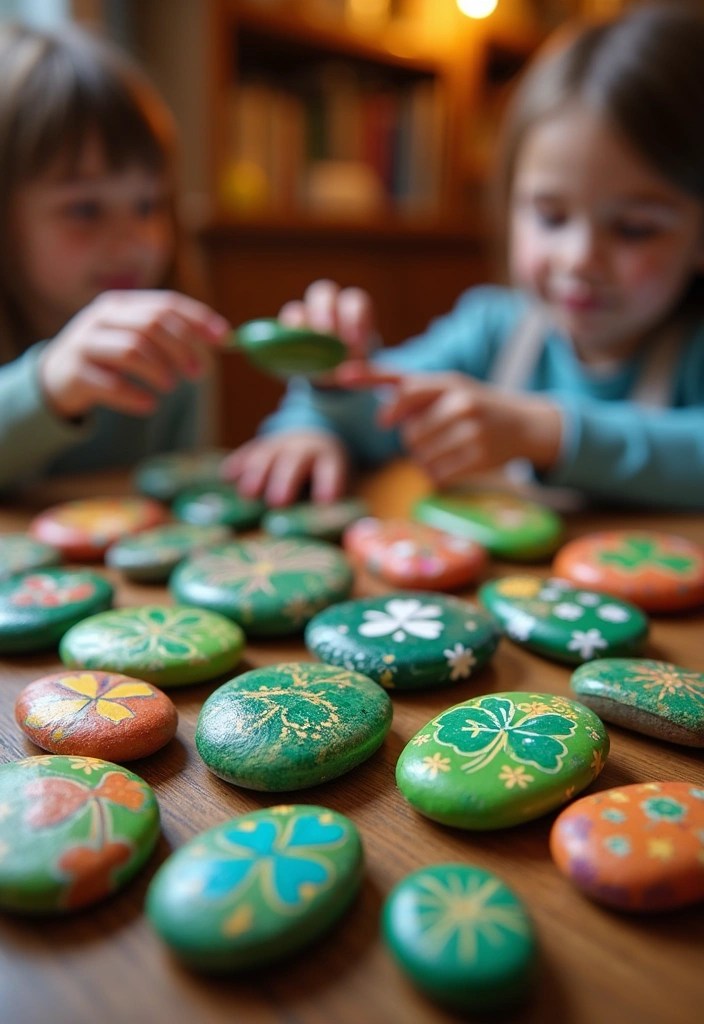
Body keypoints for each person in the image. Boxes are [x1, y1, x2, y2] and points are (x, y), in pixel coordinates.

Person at [223, 2, 704, 511]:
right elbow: (376, 411)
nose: (580, 258)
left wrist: (547, 432)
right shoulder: (491, 331)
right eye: (550, 216)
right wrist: (321, 411)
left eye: (634, 229)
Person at [0, 21, 230, 490]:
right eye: (84, 209)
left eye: (148, 205)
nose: (134, 243)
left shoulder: (173, 357)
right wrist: (45, 389)